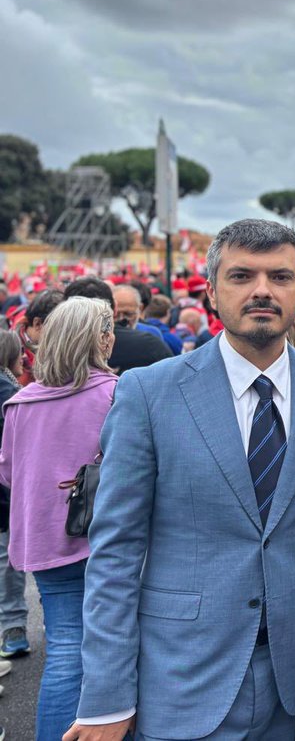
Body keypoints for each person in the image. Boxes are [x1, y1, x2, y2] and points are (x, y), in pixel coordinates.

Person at [68, 220, 295, 741]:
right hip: (181, 678)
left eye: (280, 277)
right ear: (212, 292)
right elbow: (115, 551)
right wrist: (107, 698)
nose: (262, 290)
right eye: (241, 276)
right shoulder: (148, 392)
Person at [0, 298, 117, 740]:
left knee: (65, 648)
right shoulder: (114, 394)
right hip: (104, 536)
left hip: (45, 539)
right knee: (116, 647)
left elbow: (8, 472)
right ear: (100, 339)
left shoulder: (22, 402)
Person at [63, 277, 171, 373]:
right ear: (114, 309)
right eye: (119, 314)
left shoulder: (56, 347)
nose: (123, 319)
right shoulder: (151, 344)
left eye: (129, 314)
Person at [0, 331, 30, 664]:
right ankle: (14, 628)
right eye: (19, 351)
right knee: (9, 562)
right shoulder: (10, 393)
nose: (23, 357)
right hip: (7, 495)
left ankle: (13, 628)